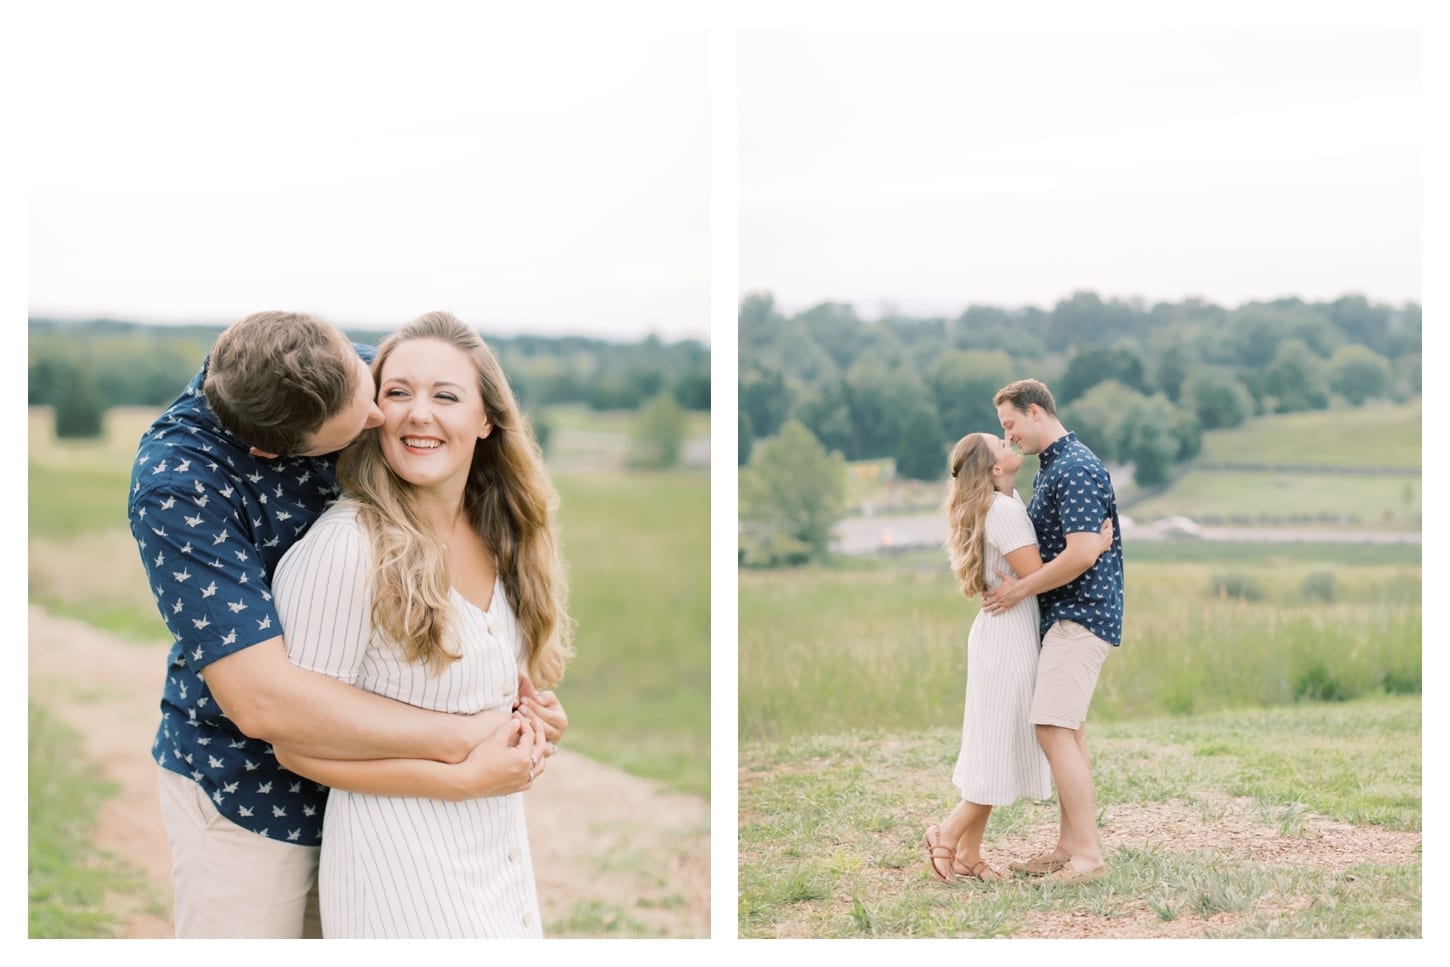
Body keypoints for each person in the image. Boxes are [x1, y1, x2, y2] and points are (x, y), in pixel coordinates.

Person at [128, 310, 567, 938]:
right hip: (250, 793)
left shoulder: (343, 375)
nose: (383, 418)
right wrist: (464, 742)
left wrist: (515, 712)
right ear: (273, 450)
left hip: (379, 790)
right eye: (365, 419)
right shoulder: (181, 486)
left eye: (370, 390)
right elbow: (263, 704)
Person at [270, 310, 574, 938]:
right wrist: (458, 780)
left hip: (499, 864)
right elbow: (294, 744)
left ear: (486, 419)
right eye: (398, 392)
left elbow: (481, 698)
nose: (418, 413)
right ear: (373, 413)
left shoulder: (503, 536)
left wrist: (534, 721)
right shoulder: (346, 548)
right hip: (399, 880)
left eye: (446, 396)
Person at [923, 433, 1111, 884]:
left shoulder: (1003, 503)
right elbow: (1034, 573)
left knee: (995, 741)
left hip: (1006, 630)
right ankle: (946, 835)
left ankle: (969, 853)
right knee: (1001, 742)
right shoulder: (1003, 510)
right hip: (1008, 637)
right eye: (1001, 442)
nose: (1010, 441)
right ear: (994, 469)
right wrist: (1093, 548)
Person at [980, 378, 1125, 886]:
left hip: (1080, 615)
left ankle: (1089, 858)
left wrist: (1020, 591)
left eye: (1010, 424)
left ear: (1036, 412)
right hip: (1064, 616)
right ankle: (1069, 847)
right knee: (1069, 728)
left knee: (1052, 729)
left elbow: (1083, 552)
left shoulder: (1077, 467)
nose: (1010, 436)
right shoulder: (1053, 469)